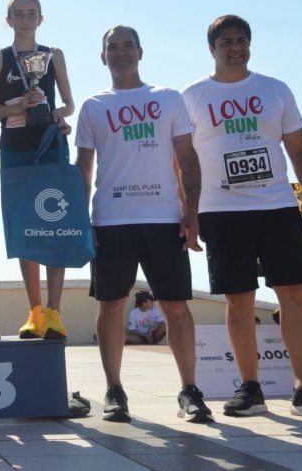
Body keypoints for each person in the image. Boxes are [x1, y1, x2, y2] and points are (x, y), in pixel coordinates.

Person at [183, 14, 302, 420]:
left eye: (242, 40)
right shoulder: (192, 96)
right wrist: (188, 212)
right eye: (226, 42)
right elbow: (181, 161)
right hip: (221, 212)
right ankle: (250, 388)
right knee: (239, 299)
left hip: (277, 207)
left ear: (249, 45)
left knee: (293, 295)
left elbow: (300, 148)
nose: (235, 48)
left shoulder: (275, 90)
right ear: (212, 49)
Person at [76, 26, 211, 423]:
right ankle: (114, 391)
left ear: (140, 52)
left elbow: (187, 159)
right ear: (103, 57)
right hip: (112, 220)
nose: (121, 53)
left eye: (127, 46)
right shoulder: (92, 106)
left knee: (176, 307)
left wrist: (191, 212)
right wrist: (82, 222)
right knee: (112, 304)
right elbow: (84, 168)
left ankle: (190, 391)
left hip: (164, 218)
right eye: (112, 47)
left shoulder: (168, 99)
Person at [0, 0, 75, 340]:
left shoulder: (54, 55)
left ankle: (55, 311)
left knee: (55, 225)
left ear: (41, 18)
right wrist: (19, 107)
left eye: (31, 13)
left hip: (50, 145)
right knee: (25, 226)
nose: (25, 19)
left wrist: (54, 113)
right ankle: (34, 312)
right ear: (8, 20)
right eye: (18, 14)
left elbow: (69, 104)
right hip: (14, 148)